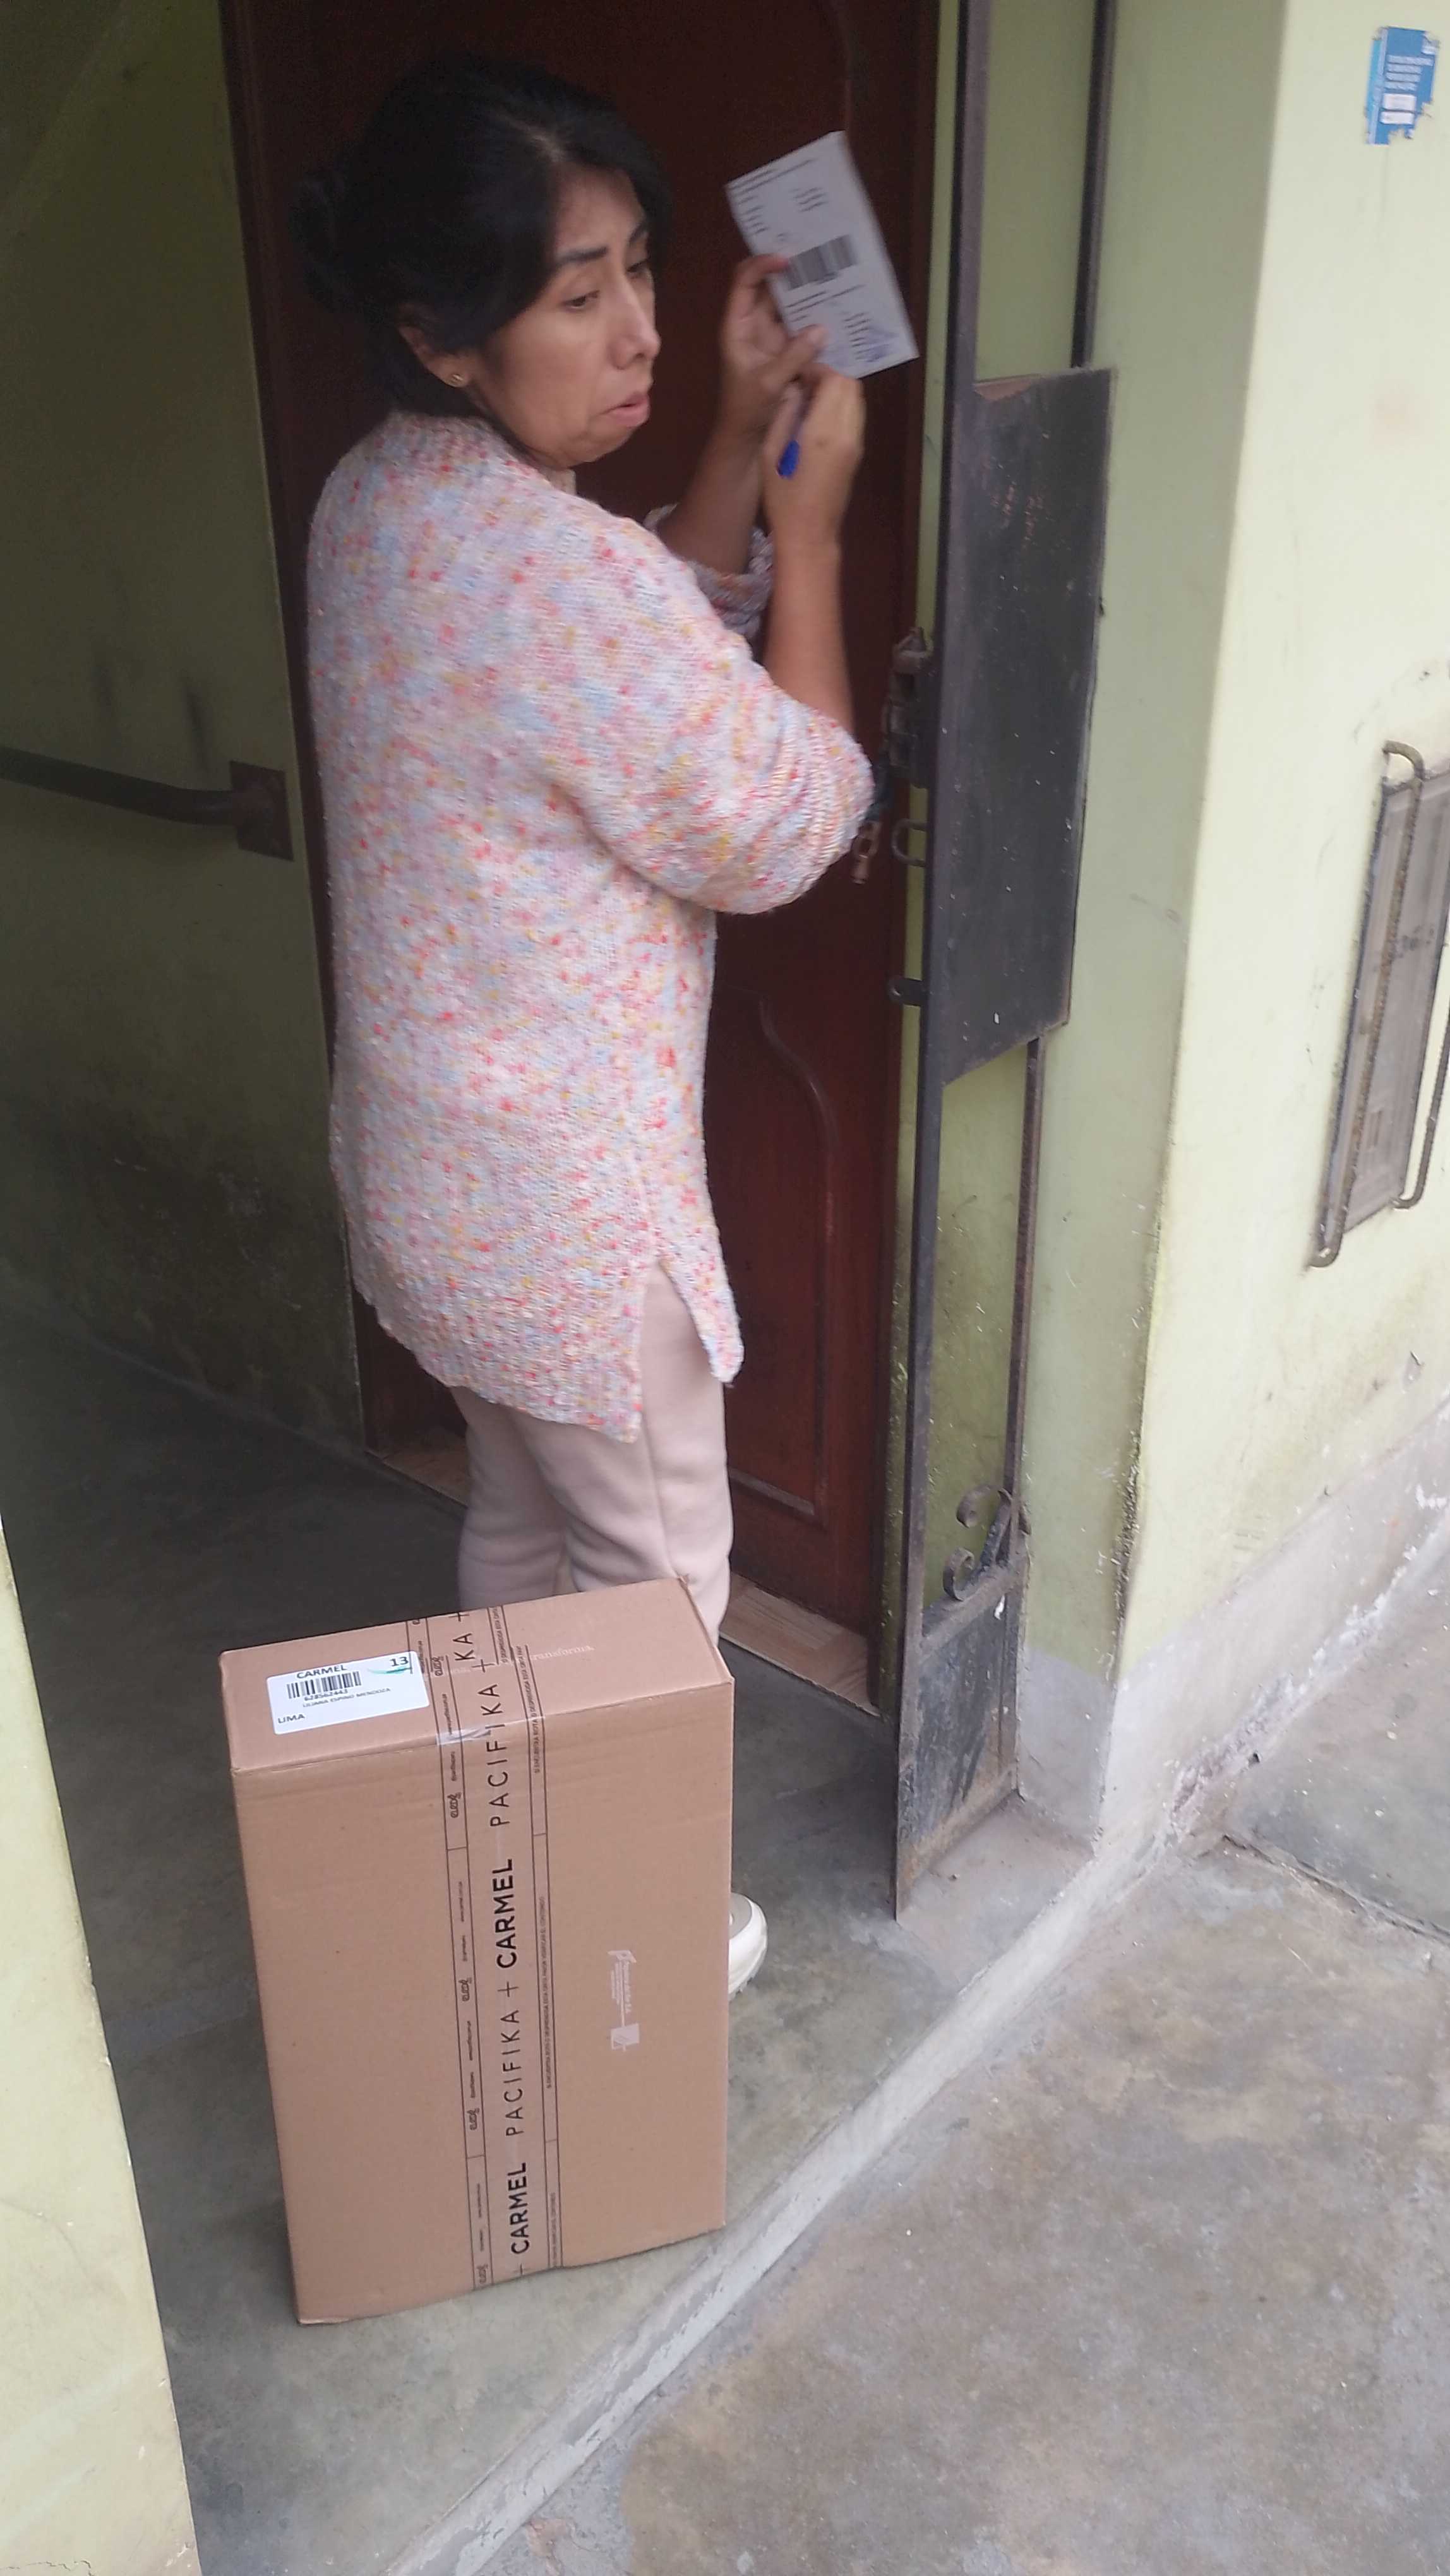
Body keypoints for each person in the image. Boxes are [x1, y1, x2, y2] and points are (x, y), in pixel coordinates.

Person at [294, 55, 872, 1996]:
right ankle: (641, 1938)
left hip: (431, 1185)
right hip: (569, 1219)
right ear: (438, 334)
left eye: (642, 270)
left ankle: (500, 1839)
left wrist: (729, 431)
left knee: (525, 1524)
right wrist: (809, 533)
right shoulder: (552, 575)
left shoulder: (378, 504)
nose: (637, 329)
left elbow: (622, 647)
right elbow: (785, 816)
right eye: (576, 295)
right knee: (654, 1583)